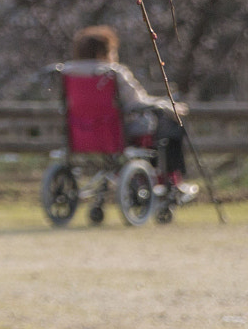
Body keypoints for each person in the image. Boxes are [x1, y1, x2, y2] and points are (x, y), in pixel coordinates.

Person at [64, 26, 197, 200]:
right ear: (104, 52)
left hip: (80, 132)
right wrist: (167, 105)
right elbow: (138, 101)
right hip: (118, 131)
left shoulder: (67, 71)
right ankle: (173, 180)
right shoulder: (114, 72)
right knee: (171, 127)